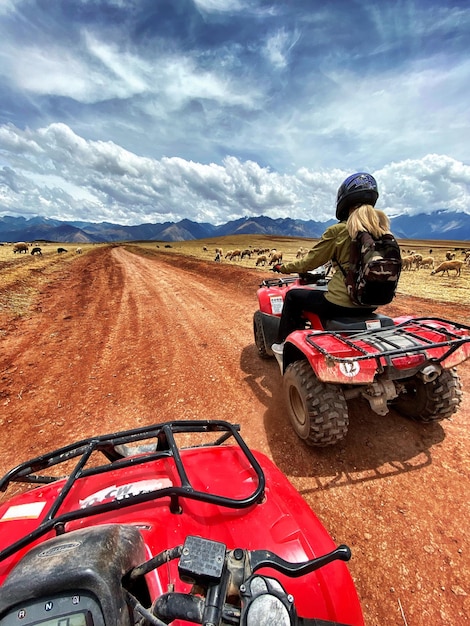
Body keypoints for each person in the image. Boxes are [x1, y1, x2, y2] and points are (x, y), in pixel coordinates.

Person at [271, 172, 392, 354]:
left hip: (342, 302)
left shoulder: (339, 230)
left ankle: (283, 345)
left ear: (343, 202)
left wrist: (284, 267)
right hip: (372, 302)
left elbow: (309, 263)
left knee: (293, 296)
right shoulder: (381, 229)